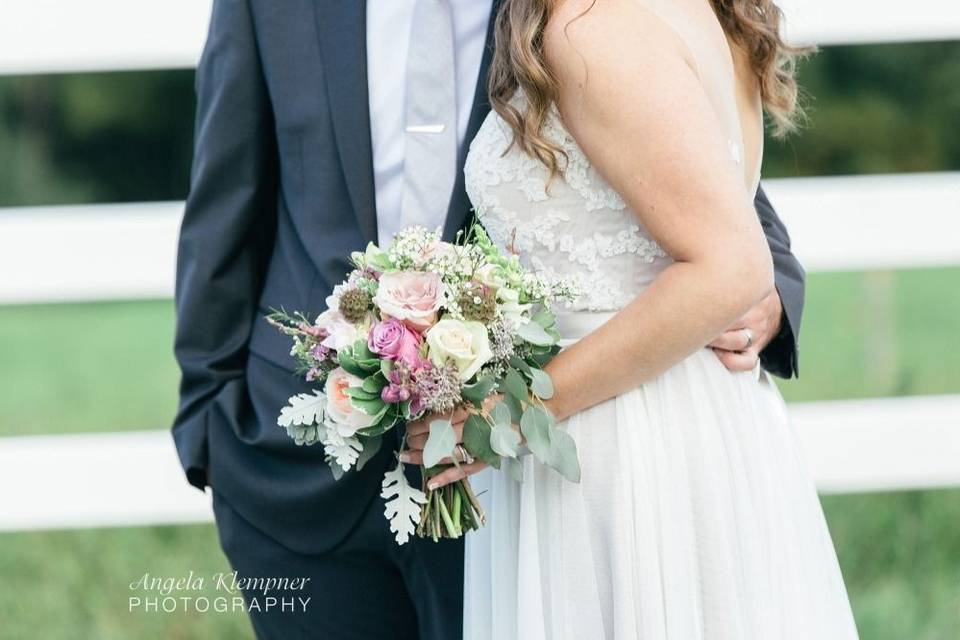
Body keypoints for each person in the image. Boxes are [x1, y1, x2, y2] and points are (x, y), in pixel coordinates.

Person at [172, 0, 807, 638]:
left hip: (523, 470)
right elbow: (225, 192)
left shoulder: (570, 11)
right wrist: (208, 429)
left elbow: (702, 169)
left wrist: (765, 291)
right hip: (296, 468)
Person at [403, 0, 859, 638]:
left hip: (620, 449)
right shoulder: (698, 12)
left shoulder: (594, 25)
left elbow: (731, 265)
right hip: (667, 413)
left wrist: (510, 413)